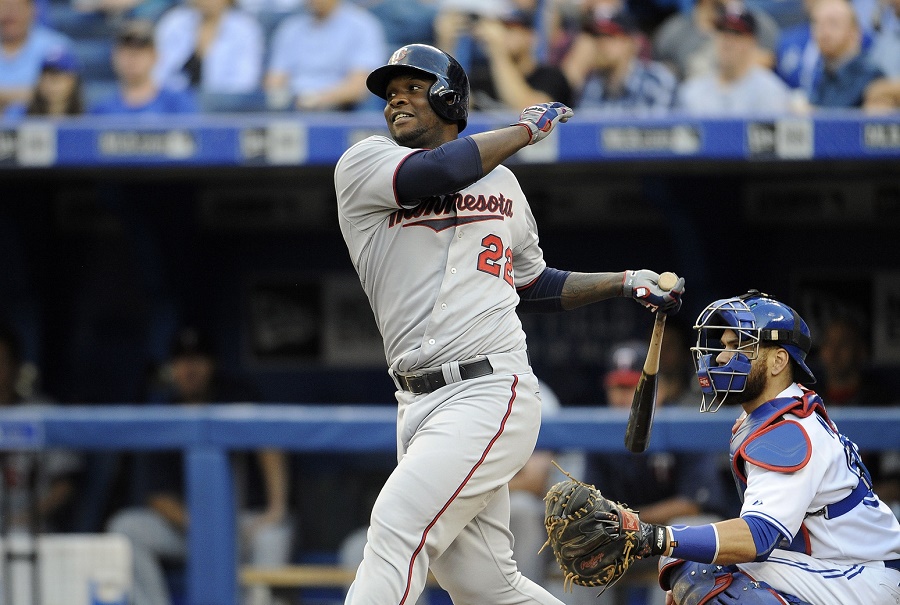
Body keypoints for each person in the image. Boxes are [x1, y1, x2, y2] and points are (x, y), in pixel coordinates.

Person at [333, 42, 684, 605]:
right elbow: (443, 169)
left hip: (489, 389)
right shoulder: (364, 163)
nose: (395, 101)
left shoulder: (504, 189)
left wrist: (622, 281)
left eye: (412, 89)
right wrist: (522, 132)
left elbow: (535, 285)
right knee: (484, 586)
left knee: (396, 530)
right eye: (389, 94)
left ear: (448, 99)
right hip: (416, 404)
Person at [562, 290, 900, 605]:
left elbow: (758, 536)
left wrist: (653, 537)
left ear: (778, 361)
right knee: (693, 561)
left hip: (864, 577)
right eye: (723, 345)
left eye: (738, 346)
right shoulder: (773, 414)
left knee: (703, 571)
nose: (722, 357)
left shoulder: (788, 431)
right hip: (835, 567)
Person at [106, 326, 293, 605]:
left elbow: (270, 448)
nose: (190, 369)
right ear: (172, 367)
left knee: (276, 535)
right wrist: (204, 526)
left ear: (212, 364)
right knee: (125, 527)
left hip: (243, 525)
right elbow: (158, 497)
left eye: (198, 360)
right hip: (190, 528)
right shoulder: (165, 417)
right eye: (182, 361)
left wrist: (276, 509)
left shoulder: (236, 396)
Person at [573, 340, 731, 605]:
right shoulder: (601, 431)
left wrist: (635, 523)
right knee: (583, 541)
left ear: (661, 390)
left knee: (693, 530)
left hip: (664, 537)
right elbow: (590, 505)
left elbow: (695, 503)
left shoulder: (682, 426)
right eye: (618, 387)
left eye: (633, 386)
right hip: (619, 540)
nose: (624, 397)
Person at [0, 322, 83, 535]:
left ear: (16, 366)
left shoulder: (43, 412)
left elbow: (66, 485)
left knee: (18, 538)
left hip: (31, 526)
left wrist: (24, 519)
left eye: (2, 362)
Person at [264, 0, 387, 111]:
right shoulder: (291, 28)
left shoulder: (362, 25)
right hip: (293, 105)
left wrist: (318, 99)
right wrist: (279, 98)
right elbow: (275, 78)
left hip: (340, 107)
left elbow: (359, 86)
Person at [677, 7, 793, 115]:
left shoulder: (770, 92)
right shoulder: (693, 92)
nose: (727, 42)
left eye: (736, 34)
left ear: (751, 42)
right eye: (722, 32)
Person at [570, 10, 677, 114]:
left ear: (632, 43)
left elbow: (659, 129)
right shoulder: (591, 84)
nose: (601, 43)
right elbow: (584, 128)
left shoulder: (656, 80)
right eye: (597, 37)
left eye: (610, 36)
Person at [467, 8, 574, 110]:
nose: (502, 35)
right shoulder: (482, 76)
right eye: (501, 28)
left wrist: (498, 52)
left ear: (531, 37)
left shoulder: (551, 76)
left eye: (510, 29)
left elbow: (531, 114)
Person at [152, 0, 264, 94]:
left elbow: (245, 81)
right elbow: (157, 70)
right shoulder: (174, 22)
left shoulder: (245, 28)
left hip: (224, 105)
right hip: (174, 101)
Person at [89, 20, 198, 115]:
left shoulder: (177, 103)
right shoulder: (101, 109)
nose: (131, 59)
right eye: (125, 52)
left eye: (139, 52)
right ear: (114, 57)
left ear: (155, 56)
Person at [653, 0, 781, 81]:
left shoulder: (758, 25)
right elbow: (662, 75)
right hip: (694, 106)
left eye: (735, 34)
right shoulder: (673, 32)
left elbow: (768, 63)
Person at [808, 0, 884, 107]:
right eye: (817, 23)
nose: (824, 31)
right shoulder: (824, 72)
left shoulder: (870, 75)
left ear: (855, 32)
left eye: (833, 23)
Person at [0, 0, 72, 112]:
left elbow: (61, 93)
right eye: (4, 6)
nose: (10, 13)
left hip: (40, 124)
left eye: (17, 7)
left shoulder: (55, 45)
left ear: (32, 10)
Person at [3, 45, 83, 119]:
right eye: (45, 78)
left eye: (57, 79)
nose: (51, 85)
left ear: (72, 81)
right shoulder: (19, 114)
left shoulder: (90, 115)